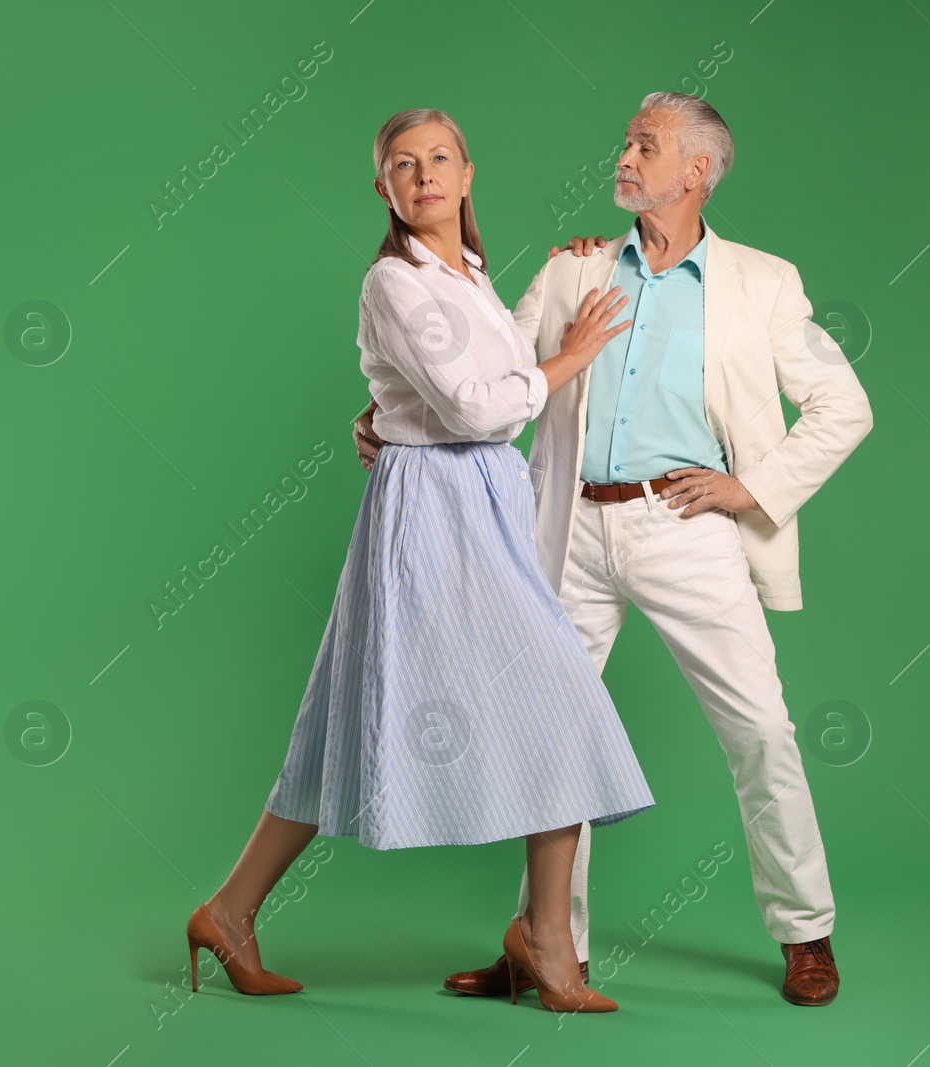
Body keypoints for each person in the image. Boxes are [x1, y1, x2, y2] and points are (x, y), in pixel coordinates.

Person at [355, 92, 872, 1006]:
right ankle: (552, 950)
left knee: (760, 730)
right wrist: (386, 418)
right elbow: (482, 381)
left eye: (646, 145)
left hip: (688, 529)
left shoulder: (762, 283)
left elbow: (844, 406)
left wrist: (751, 489)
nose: (625, 155)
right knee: (552, 735)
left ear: (698, 172)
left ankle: (806, 932)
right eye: (628, 140)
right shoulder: (573, 271)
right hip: (568, 527)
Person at [183, 107, 654, 1015]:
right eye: (404, 164)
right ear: (384, 189)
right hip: (430, 510)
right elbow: (480, 407)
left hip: (480, 500)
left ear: (469, 174)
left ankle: (232, 909)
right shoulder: (392, 284)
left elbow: (455, 381)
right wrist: (573, 356)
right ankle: (543, 942)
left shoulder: (470, 273)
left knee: (362, 716)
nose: (425, 174)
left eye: (440, 158)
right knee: (528, 700)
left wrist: (566, 272)